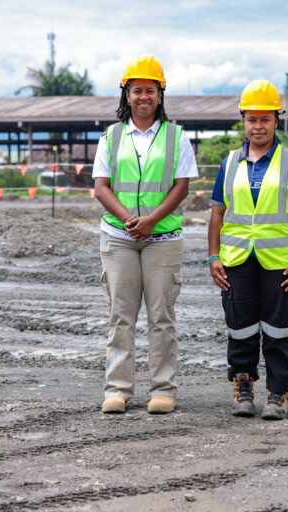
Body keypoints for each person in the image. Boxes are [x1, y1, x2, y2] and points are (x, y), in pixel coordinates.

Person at [92, 55, 199, 414]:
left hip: (163, 239)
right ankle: (117, 389)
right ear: (126, 94)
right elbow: (101, 187)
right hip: (119, 238)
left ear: (160, 95)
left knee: (161, 316)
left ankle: (163, 390)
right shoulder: (111, 136)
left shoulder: (176, 137)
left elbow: (181, 187)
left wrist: (151, 220)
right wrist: (129, 221)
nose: (143, 97)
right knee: (121, 316)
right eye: (136, 90)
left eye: (150, 90)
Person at [208, 80, 288, 420]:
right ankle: (243, 383)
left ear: (276, 121)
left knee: (277, 329)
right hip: (236, 258)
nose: (258, 126)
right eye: (252, 119)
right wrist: (213, 256)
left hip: (279, 262)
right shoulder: (229, 163)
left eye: (265, 119)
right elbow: (217, 213)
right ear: (243, 120)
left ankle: (278, 392)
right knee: (240, 327)